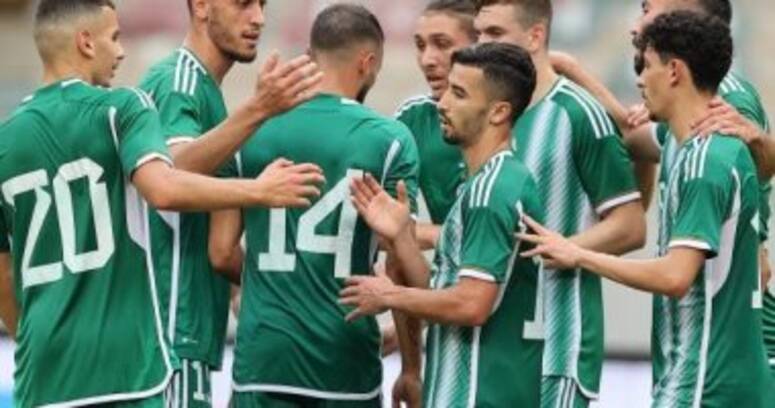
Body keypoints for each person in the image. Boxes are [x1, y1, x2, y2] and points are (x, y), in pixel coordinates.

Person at [0, 0, 323, 407]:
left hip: (46, 370)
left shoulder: (7, 138)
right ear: (86, 42)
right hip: (142, 359)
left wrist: (35, 342)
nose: (122, 52)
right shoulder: (134, 102)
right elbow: (167, 183)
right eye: (115, 38)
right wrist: (259, 186)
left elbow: (4, 276)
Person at [521, 11, 772, 407]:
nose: (638, 80)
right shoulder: (715, 148)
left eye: (646, 66)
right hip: (724, 381)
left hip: (704, 385)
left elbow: (675, 276)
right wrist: (572, 70)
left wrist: (577, 253)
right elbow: (629, 133)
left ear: (674, 71)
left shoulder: (703, 161)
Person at [208, 4, 420, 407]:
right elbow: (401, 267)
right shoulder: (390, 141)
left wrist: (272, 284)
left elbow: (220, 254)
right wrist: (411, 368)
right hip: (345, 361)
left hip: (263, 358)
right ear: (367, 63)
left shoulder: (248, 130)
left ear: (310, 56)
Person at [137, 1, 322, 405]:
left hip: (183, 337)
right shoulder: (179, 81)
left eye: (262, 4)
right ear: (202, 6)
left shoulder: (205, 91)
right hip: (169, 337)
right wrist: (259, 111)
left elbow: (220, 251)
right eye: (242, 3)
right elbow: (170, 176)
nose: (258, 18)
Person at [340, 42, 543, 407]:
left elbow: (471, 305)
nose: (443, 103)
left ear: (498, 112)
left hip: (480, 396)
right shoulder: (484, 183)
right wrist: (403, 237)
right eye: (448, 89)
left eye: (459, 94)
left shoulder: (493, 190)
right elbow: (443, 292)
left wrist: (388, 295)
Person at [474, 1, 646, 405]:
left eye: (495, 33)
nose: (482, 45)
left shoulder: (580, 114)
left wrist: (566, 248)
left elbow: (631, 225)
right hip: (492, 341)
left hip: (557, 345)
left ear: (536, 36)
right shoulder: (486, 115)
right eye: (478, 33)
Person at [395, 0, 477, 248]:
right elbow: (384, 222)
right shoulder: (413, 118)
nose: (427, 60)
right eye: (420, 46)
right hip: (451, 270)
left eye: (442, 44)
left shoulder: (526, 113)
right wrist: (442, 234)